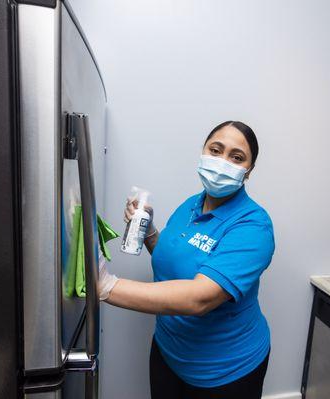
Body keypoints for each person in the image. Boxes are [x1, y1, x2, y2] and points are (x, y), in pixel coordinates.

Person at [98, 120, 275, 399]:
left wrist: (106, 286)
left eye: (236, 157)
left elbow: (200, 298)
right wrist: (148, 233)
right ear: (203, 152)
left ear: (249, 171)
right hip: (168, 352)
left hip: (224, 371)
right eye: (215, 150)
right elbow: (177, 263)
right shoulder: (191, 205)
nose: (222, 161)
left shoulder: (253, 226)